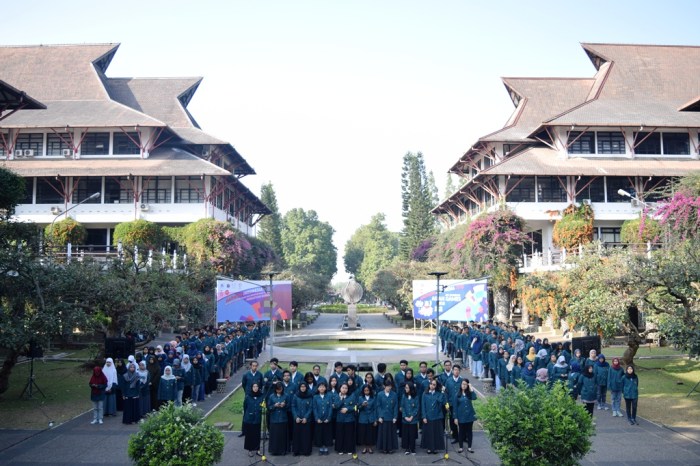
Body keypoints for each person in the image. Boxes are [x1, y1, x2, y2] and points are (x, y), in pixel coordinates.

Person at [421, 379, 446, 454]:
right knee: (429, 433)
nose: (432, 385)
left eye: (434, 384)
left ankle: (435, 448)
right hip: (428, 416)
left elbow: (441, 401)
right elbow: (423, 406)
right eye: (431, 384)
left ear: (436, 386)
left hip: (437, 416)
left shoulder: (438, 393)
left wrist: (442, 392)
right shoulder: (425, 394)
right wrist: (424, 417)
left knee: (436, 433)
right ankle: (429, 447)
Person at [453, 379, 477, 454]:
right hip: (461, 416)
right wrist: (455, 417)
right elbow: (455, 407)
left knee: (469, 431)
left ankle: (469, 447)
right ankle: (461, 447)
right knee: (461, 432)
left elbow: (474, 398)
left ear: (467, 385)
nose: (464, 385)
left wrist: (471, 389)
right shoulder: (457, 394)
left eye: (465, 384)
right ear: (460, 385)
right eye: (463, 384)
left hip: (469, 416)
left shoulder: (469, 393)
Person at [375, 379, 399, 454]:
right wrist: (379, 416)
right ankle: (384, 448)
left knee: (391, 433)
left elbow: (396, 406)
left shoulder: (394, 394)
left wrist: (395, 417)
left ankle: (390, 448)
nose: (389, 388)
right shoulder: (379, 394)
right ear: (384, 386)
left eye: (390, 386)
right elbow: (378, 406)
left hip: (391, 417)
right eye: (387, 386)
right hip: (383, 417)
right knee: (383, 433)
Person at [335, 382, 357, 455]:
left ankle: (349, 449)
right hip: (340, 419)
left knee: (349, 435)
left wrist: (348, 409)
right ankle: (340, 449)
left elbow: (355, 407)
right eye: (343, 388)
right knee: (340, 434)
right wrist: (341, 399)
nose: (344, 389)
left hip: (349, 419)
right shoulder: (336, 396)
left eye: (346, 388)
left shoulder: (351, 396)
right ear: (340, 388)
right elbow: (336, 406)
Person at [292, 382, 313, 456]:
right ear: (299, 387)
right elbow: (293, 406)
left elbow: (310, 408)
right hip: (297, 419)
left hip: (306, 420)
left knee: (306, 436)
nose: (303, 388)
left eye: (304, 386)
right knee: (297, 436)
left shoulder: (309, 396)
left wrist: (306, 417)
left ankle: (306, 451)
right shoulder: (296, 396)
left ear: (306, 387)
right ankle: (296, 451)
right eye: (301, 387)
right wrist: (296, 417)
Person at [268, 382, 290, 456]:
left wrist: (284, 405)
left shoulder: (286, 396)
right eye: (277, 390)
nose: (279, 391)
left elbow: (288, 407)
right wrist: (274, 405)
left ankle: (283, 450)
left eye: (280, 389)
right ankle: (274, 450)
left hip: (283, 418)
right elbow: (269, 408)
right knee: (275, 435)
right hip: (274, 418)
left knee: (282, 435)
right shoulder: (271, 396)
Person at [243, 382, 264, 457]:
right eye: (254, 386)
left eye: (257, 386)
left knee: (257, 434)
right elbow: (245, 407)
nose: (255, 388)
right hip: (249, 418)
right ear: (252, 388)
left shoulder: (261, 396)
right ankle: (250, 450)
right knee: (249, 435)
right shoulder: (248, 396)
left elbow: (263, 406)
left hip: (257, 418)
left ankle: (257, 449)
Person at [312, 382, 333, 456]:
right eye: (320, 387)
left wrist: (329, 418)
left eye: (323, 387)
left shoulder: (329, 396)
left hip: (327, 419)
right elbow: (314, 408)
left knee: (326, 434)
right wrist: (317, 418)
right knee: (319, 434)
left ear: (325, 388)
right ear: (318, 388)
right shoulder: (315, 397)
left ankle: (326, 448)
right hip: (319, 419)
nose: (322, 388)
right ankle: (321, 448)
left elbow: (330, 407)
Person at [357, 383, 377, 454]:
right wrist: (362, 405)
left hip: (371, 417)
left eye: (367, 390)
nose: (366, 392)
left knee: (370, 433)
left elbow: (375, 409)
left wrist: (375, 420)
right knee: (364, 433)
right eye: (365, 390)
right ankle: (365, 447)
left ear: (370, 390)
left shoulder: (373, 398)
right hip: (363, 418)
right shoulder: (360, 398)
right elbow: (357, 408)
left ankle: (370, 447)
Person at [400, 381, 420, 456]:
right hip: (405, 419)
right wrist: (405, 416)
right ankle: (407, 448)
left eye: (407, 388)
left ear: (411, 388)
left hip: (413, 420)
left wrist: (411, 416)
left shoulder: (416, 397)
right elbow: (402, 407)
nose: (406, 389)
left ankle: (413, 448)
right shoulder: (403, 396)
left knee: (412, 434)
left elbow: (417, 408)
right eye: (405, 388)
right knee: (406, 434)